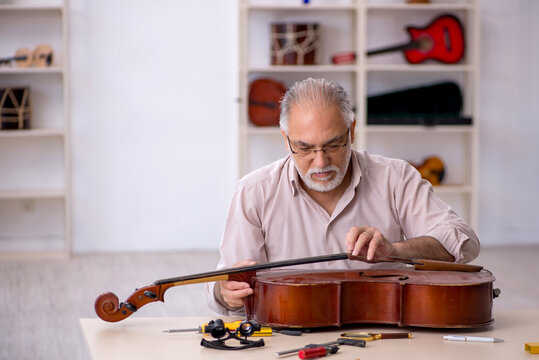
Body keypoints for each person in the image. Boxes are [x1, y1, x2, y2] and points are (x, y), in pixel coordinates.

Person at [205, 78, 480, 315]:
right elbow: (224, 289)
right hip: (285, 334)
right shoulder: (253, 191)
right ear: (285, 138)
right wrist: (225, 292)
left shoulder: (396, 177)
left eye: (333, 144)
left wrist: (396, 251)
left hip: (382, 334)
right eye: (304, 148)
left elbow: (462, 241)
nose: (321, 162)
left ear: (352, 130)